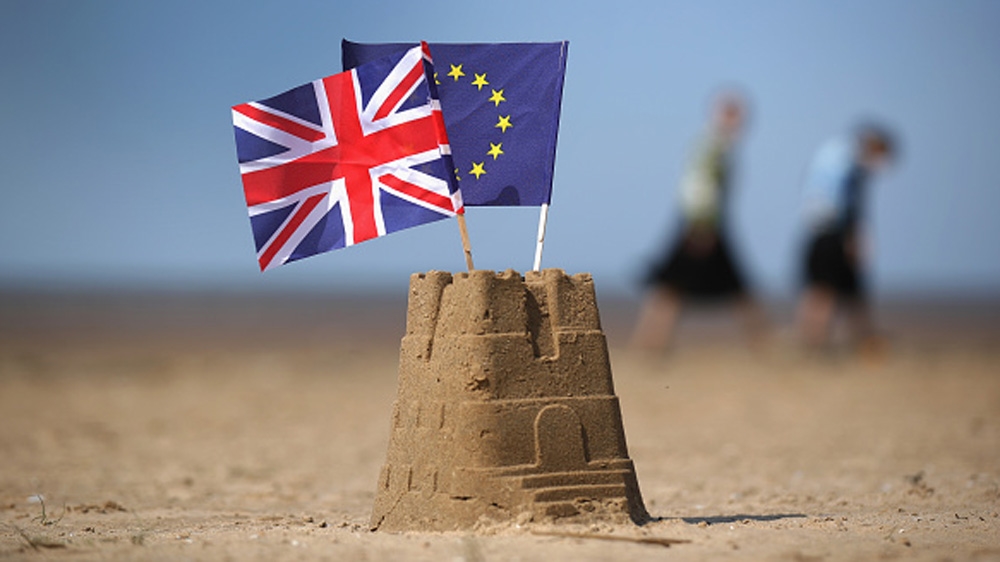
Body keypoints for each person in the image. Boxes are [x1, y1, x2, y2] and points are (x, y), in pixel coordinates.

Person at [630, 92, 767, 351]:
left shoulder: (720, 145)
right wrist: (702, 227)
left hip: (707, 222)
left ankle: (761, 343)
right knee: (673, 286)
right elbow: (699, 187)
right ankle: (649, 344)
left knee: (731, 287)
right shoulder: (712, 146)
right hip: (701, 223)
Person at [796, 123, 896, 353]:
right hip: (831, 233)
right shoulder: (847, 161)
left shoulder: (834, 152)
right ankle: (816, 341)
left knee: (841, 290)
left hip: (820, 230)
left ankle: (860, 339)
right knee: (826, 290)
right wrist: (852, 237)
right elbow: (838, 202)